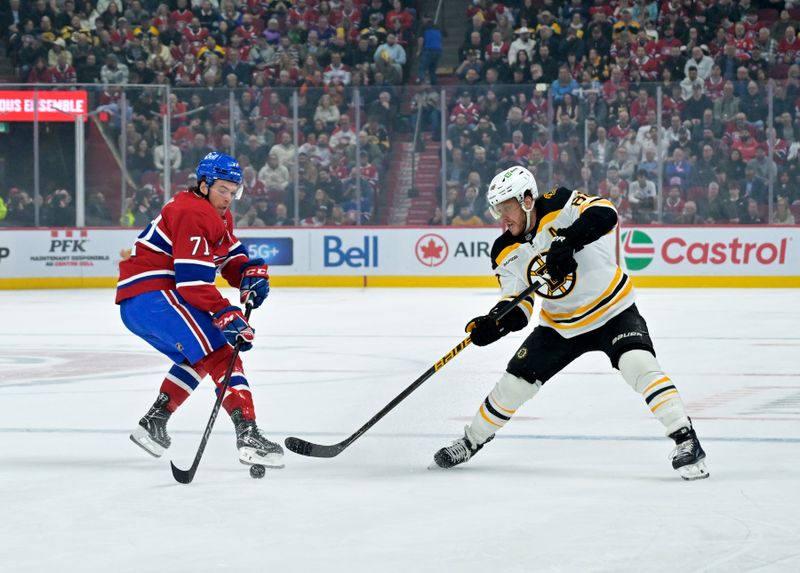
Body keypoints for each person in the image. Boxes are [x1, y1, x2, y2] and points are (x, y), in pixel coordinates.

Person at [432, 166, 709, 481]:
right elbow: (519, 304)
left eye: (505, 208)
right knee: (514, 384)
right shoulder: (503, 250)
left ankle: (686, 439)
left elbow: (606, 213)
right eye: (497, 210)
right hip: (560, 326)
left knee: (638, 364)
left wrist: (569, 240)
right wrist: (494, 323)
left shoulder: (558, 203)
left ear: (526, 200)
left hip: (613, 310)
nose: (501, 218)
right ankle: (471, 441)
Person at [117, 152, 283, 470]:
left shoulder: (215, 215)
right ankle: (247, 433)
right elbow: (193, 284)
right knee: (221, 351)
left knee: (201, 357)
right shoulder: (190, 211)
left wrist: (247, 274)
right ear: (204, 184)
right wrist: (224, 312)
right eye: (223, 189)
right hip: (155, 296)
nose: (228, 198)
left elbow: (230, 257)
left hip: (143, 302)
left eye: (234, 192)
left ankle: (155, 421)